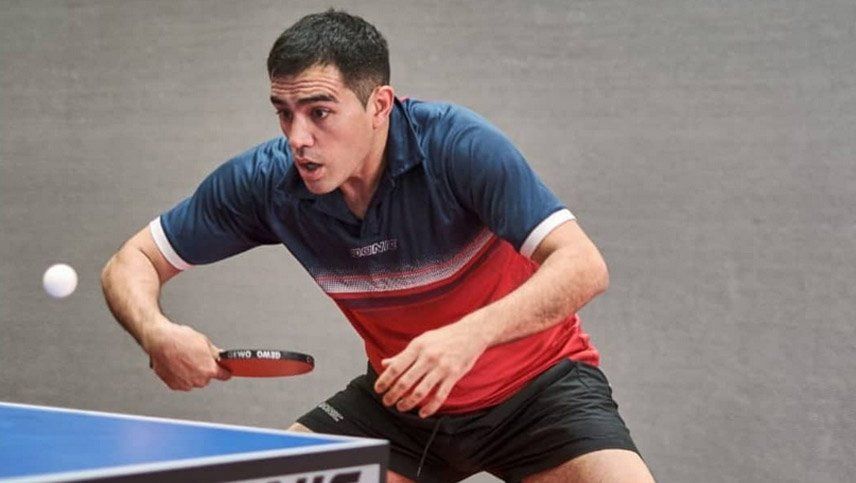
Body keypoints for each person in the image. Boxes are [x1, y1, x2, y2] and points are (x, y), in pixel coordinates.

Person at [101, 9, 654, 483]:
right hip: (404, 406)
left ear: (379, 105)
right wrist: (156, 331)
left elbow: (583, 265)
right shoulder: (268, 184)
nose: (297, 138)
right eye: (284, 113)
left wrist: (470, 334)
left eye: (319, 112)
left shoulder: (457, 148)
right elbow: (131, 261)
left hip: (538, 394)